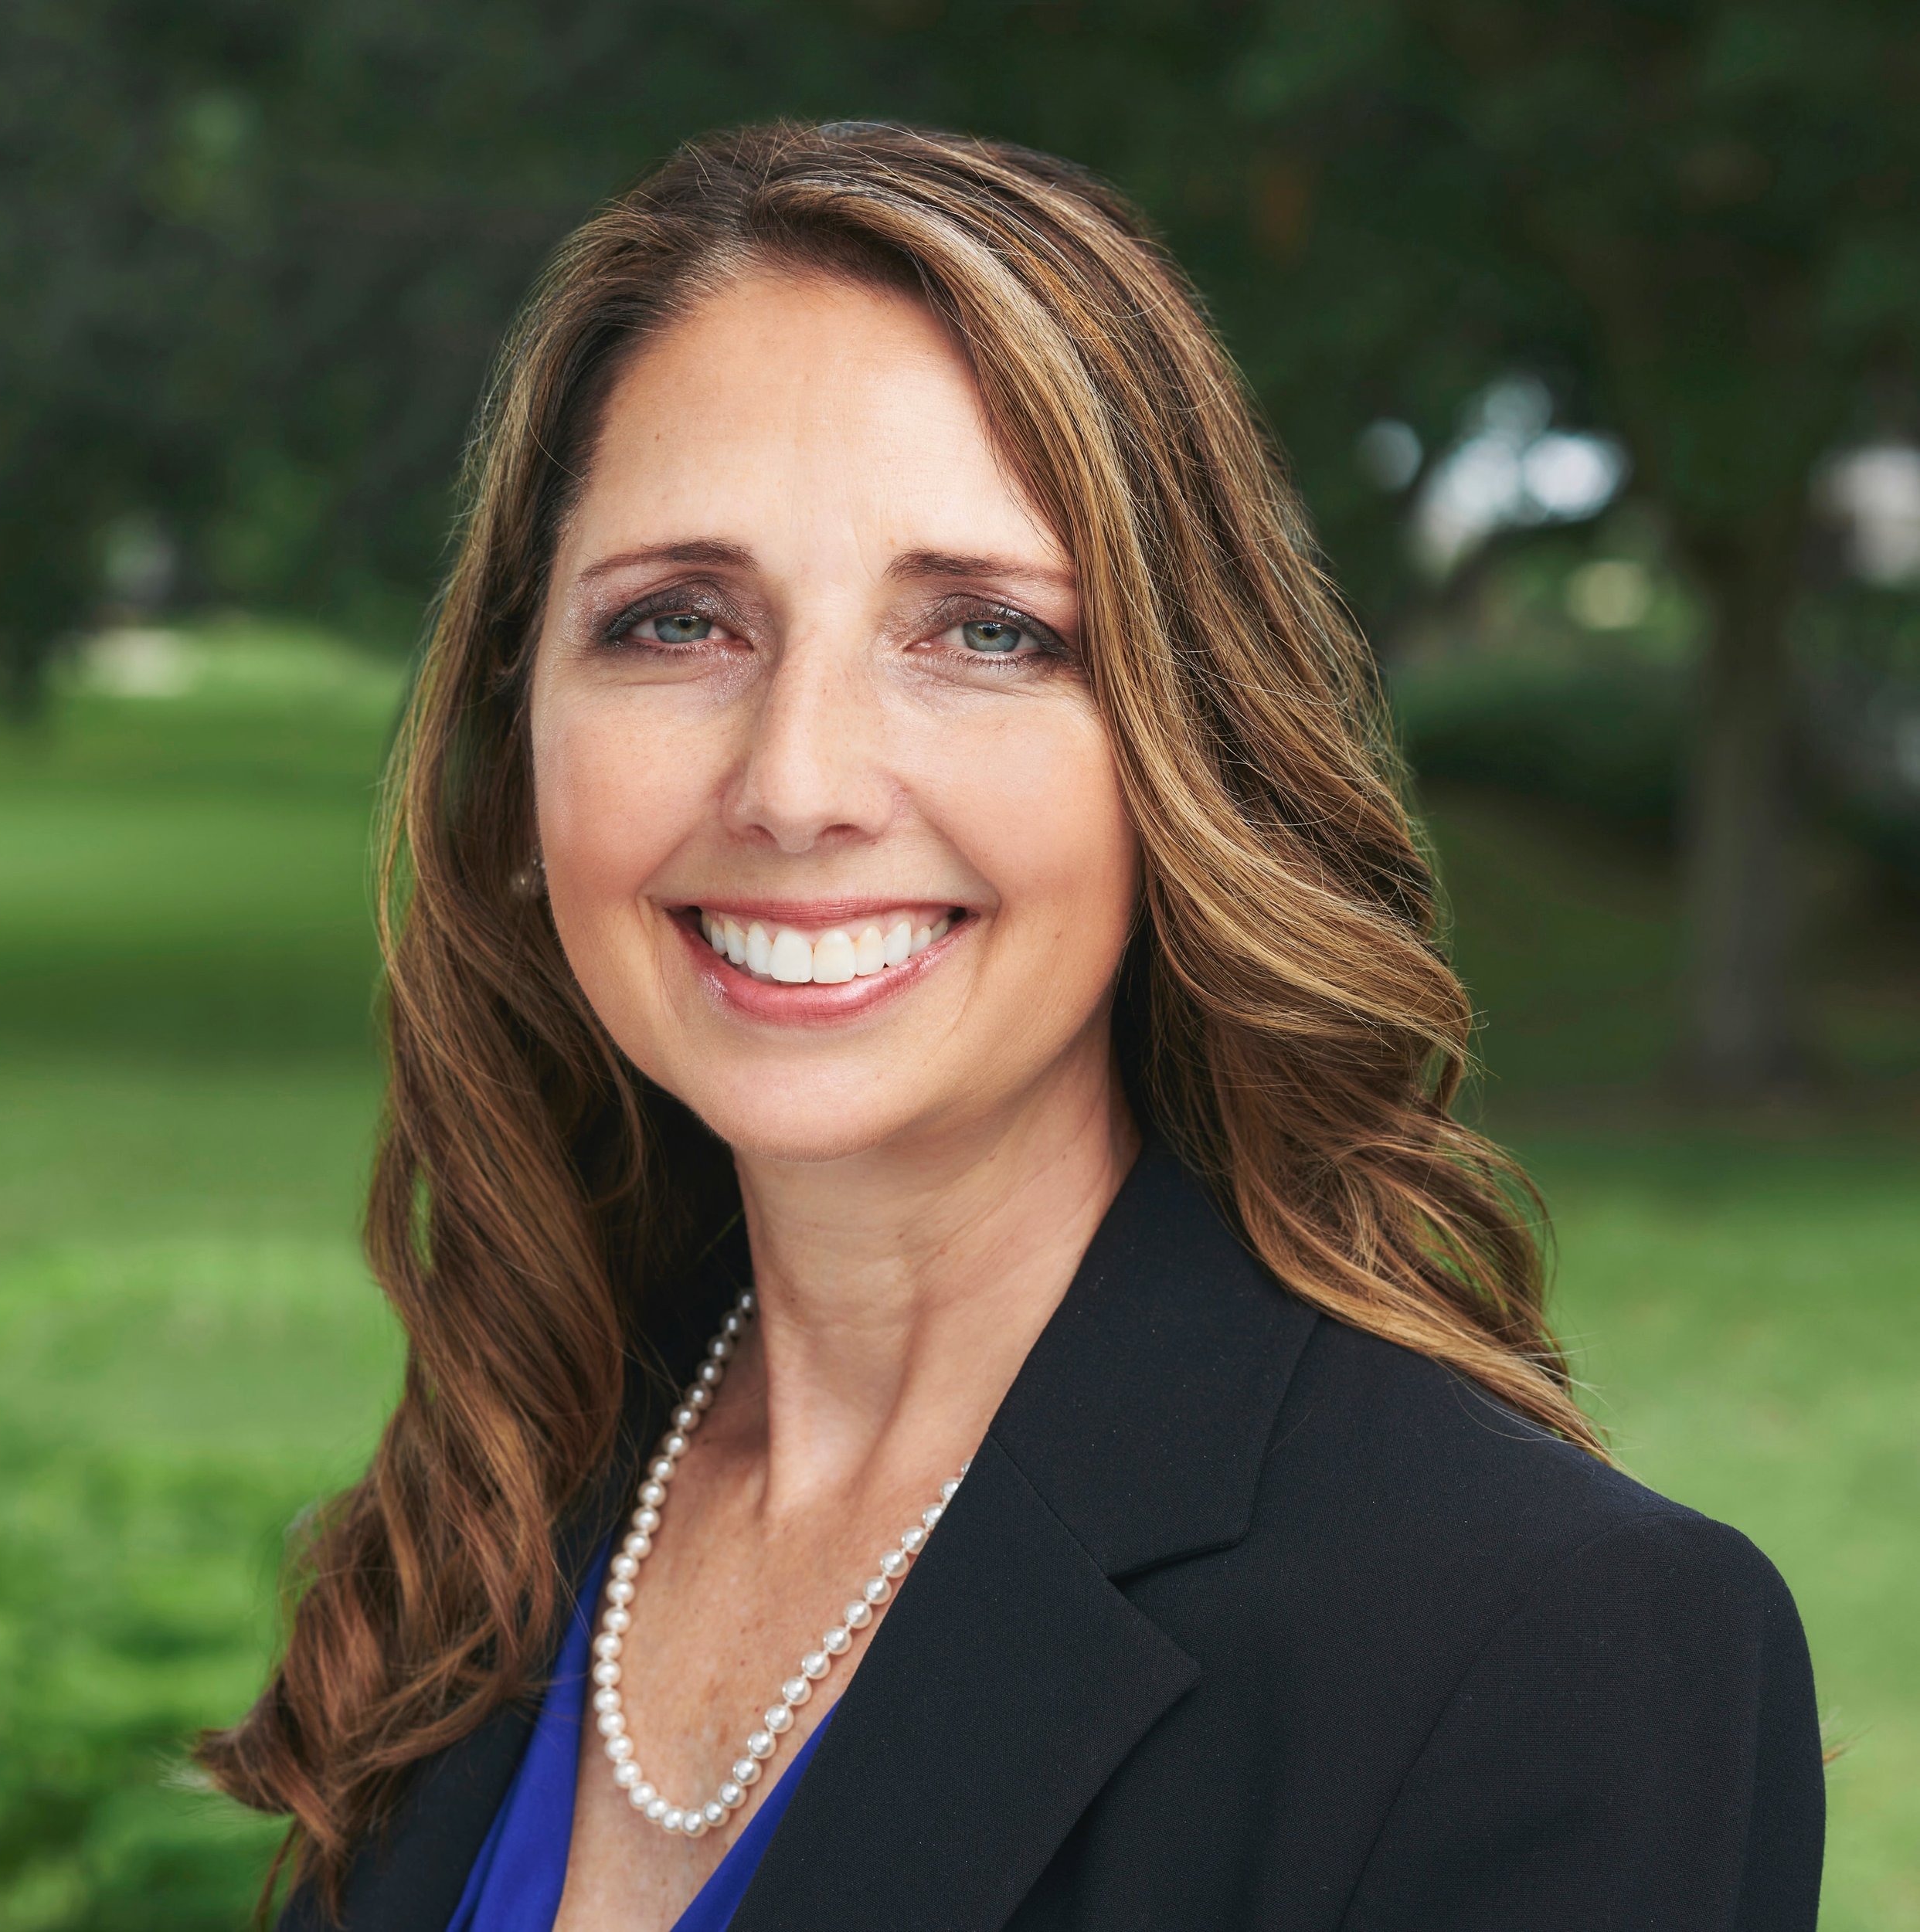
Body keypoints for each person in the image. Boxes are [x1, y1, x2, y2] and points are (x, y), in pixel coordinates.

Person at [200, 121, 1824, 1932]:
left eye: (981, 634)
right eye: (675, 623)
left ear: (1184, 751)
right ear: (517, 747)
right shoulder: (499, 1515)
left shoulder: (1541, 1653)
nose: (797, 782)